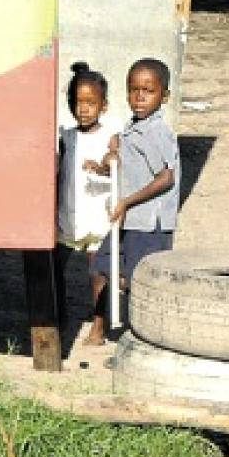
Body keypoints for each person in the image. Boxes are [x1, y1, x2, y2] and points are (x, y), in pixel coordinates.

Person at [84, 57, 180, 343]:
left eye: (148, 91)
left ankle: (144, 337)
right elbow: (127, 168)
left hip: (149, 222)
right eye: (133, 89)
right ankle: (104, 326)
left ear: (165, 96)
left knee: (142, 280)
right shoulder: (132, 128)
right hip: (127, 219)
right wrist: (105, 165)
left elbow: (166, 178)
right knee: (101, 266)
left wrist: (127, 202)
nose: (139, 97)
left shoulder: (156, 132)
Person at [56, 61, 114, 335]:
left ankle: (98, 324)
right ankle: (59, 314)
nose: (83, 109)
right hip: (68, 216)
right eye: (78, 102)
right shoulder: (65, 137)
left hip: (97, 217)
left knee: (97, 273)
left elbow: (114, 161)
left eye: (90, 103)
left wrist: (102, 167)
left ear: (103, 105)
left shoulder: (110, 136)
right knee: (54, 266)